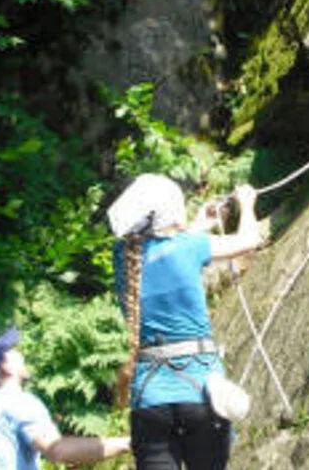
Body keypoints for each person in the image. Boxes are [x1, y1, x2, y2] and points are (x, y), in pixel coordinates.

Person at [108, 174, 263, 469]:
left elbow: (163, 251)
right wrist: (247, 204)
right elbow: (249, 240)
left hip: (149, 397)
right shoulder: (191, 246)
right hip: (200, 393)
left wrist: (196, 224)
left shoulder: (124, 257)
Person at [0, 327, 131, 469]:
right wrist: (128, 442)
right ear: (4, 367)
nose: (20, 353)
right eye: (12, 350)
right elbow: (57, 450)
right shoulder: (19, 403)